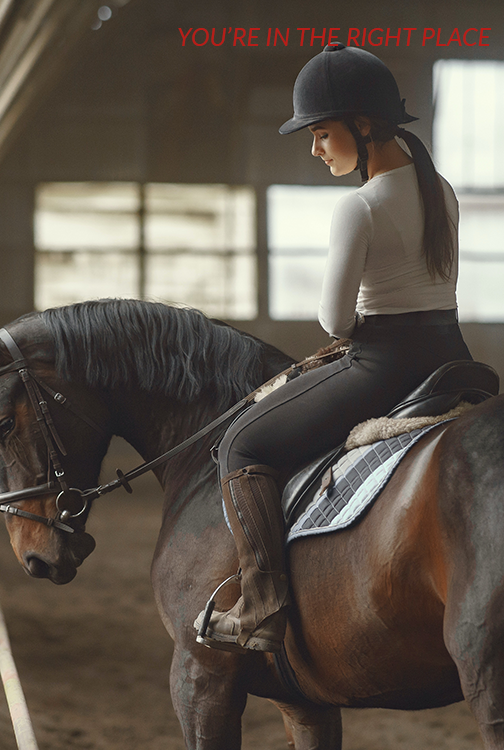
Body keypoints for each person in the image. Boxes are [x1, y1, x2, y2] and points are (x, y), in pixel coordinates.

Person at [194, 43, 473, 654]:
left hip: (383, 365)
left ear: (362, 125)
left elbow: (335, 319)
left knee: (243, 442)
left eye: (321, 133)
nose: (316, 148)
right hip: (452, 356)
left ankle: (263, 605)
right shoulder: (443, 189)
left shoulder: (360, 207)